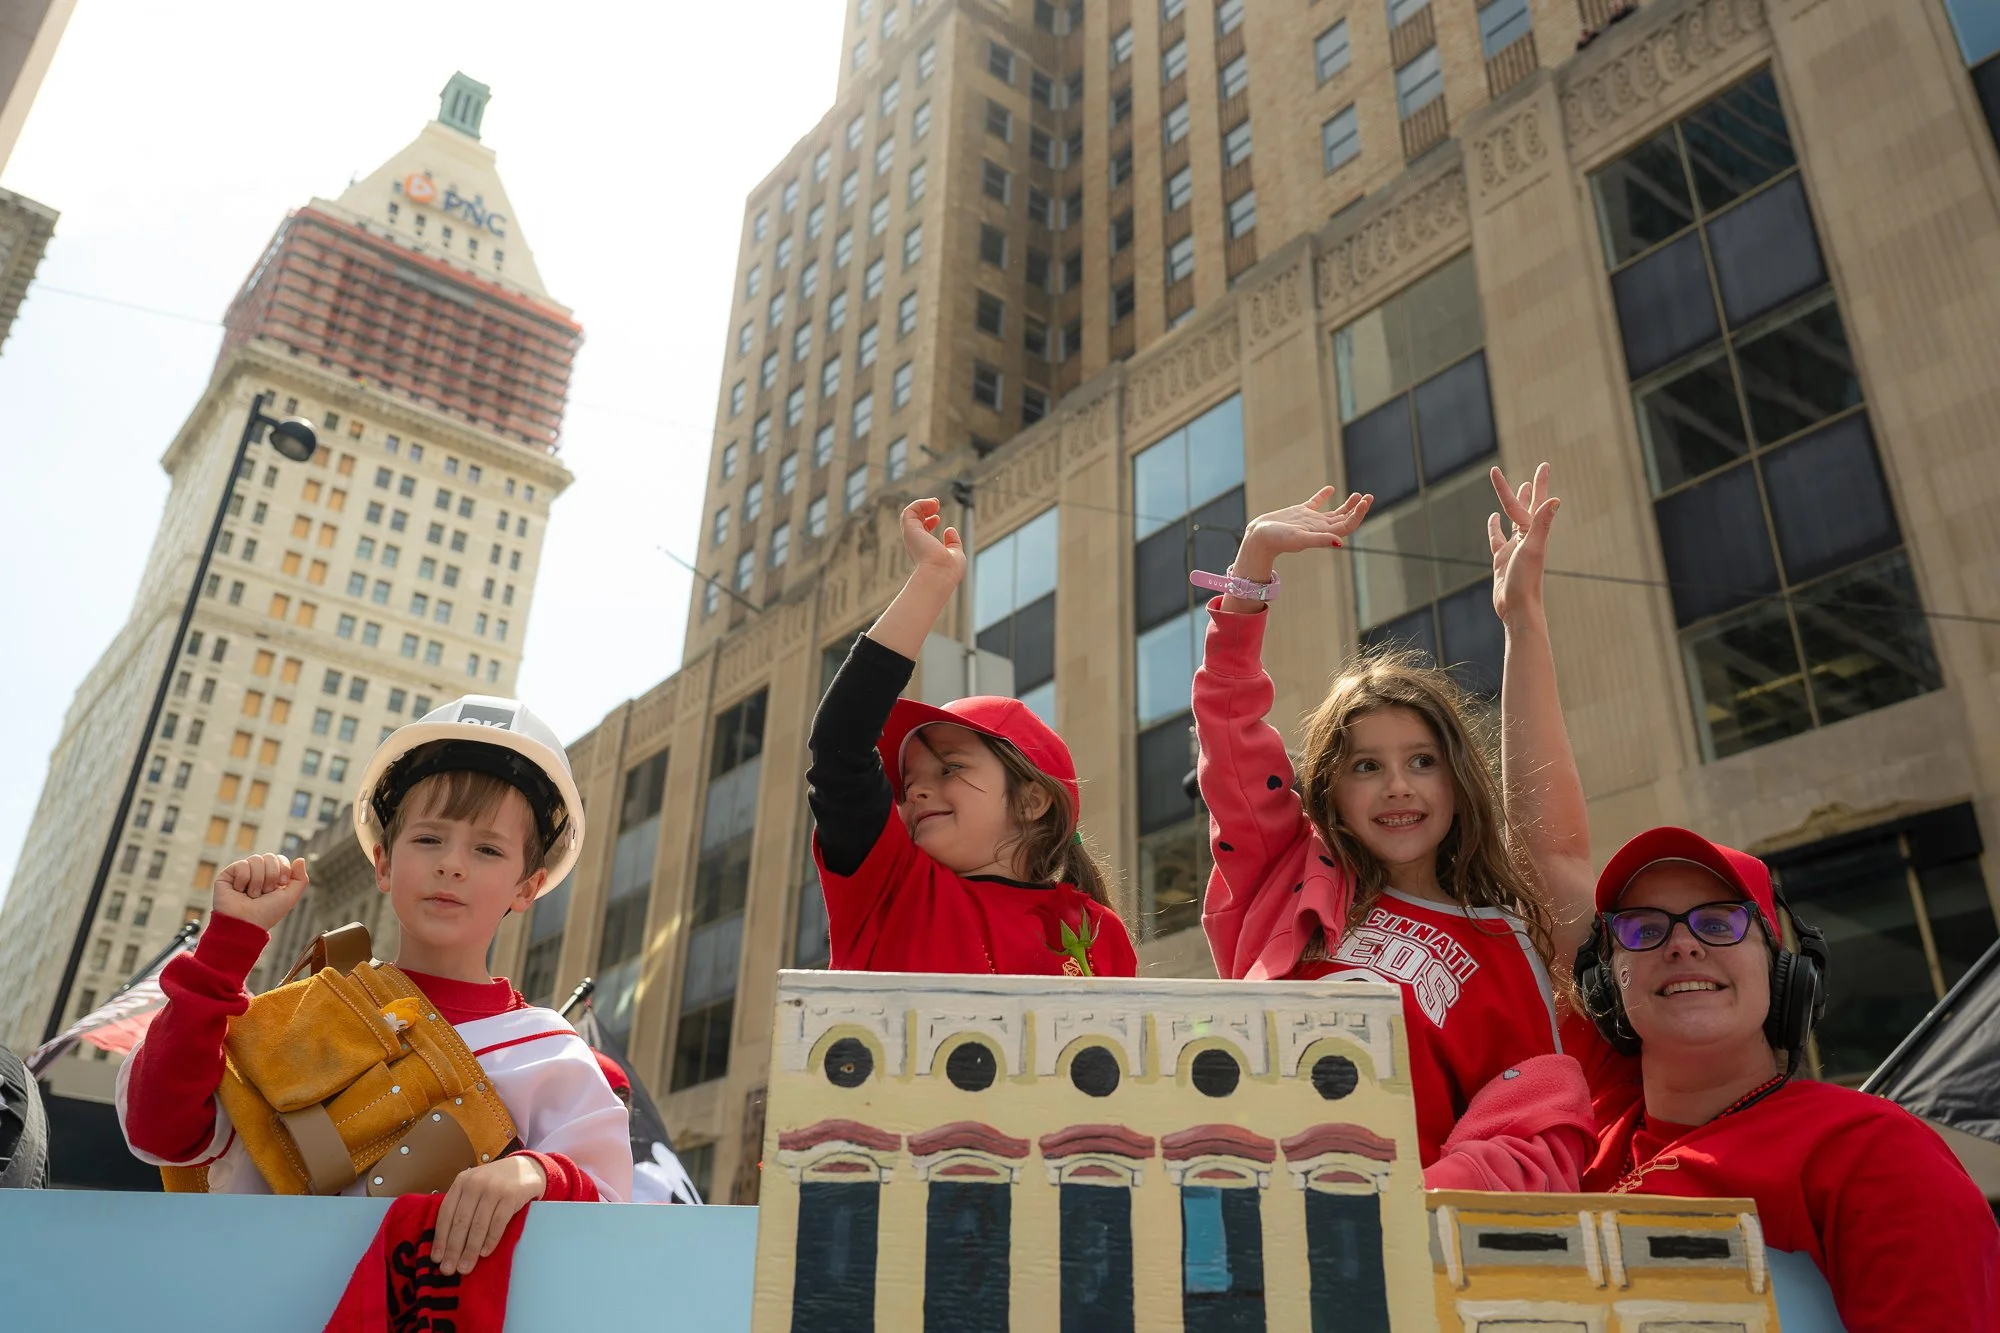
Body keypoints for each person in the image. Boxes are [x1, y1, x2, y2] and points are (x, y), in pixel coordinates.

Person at [1489, 464, 2000, 1328]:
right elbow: (1547, 855)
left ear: (1785, 967)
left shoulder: (1866, 1152)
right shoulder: (1601, 1122)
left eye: (1721, 920)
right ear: (1609, 983)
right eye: (1645, 929)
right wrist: (1523, 625)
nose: (1682, 943)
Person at [118, 696, 631, 1277]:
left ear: (528, 886)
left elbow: (612, 1224)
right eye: (429, 839)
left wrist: (539, 1172)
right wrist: (225, 950)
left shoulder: (550, 1052)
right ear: (383, 863)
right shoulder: (302, 1015)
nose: (452, 865)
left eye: (487, 849)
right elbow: (158, 1126)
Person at [1191, 486, 1566, 1167]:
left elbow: (1532, 1129)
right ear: (1332, 788)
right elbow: (1231, 736)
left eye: (1422, 761)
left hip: (1398, 1247)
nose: (1397, 785)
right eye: (1367, 765)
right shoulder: (1287, 876)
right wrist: (1250, 574)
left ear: (1456, 781)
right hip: (1241, 1215)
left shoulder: (1501, 943)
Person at [809, 497, 1136, 977]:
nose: (916, 791)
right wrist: (933, 580)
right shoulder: (891, 886)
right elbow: (841, 745)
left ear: (1031, 800)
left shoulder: (1099, 930)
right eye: (908, 781)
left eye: (950, 767)